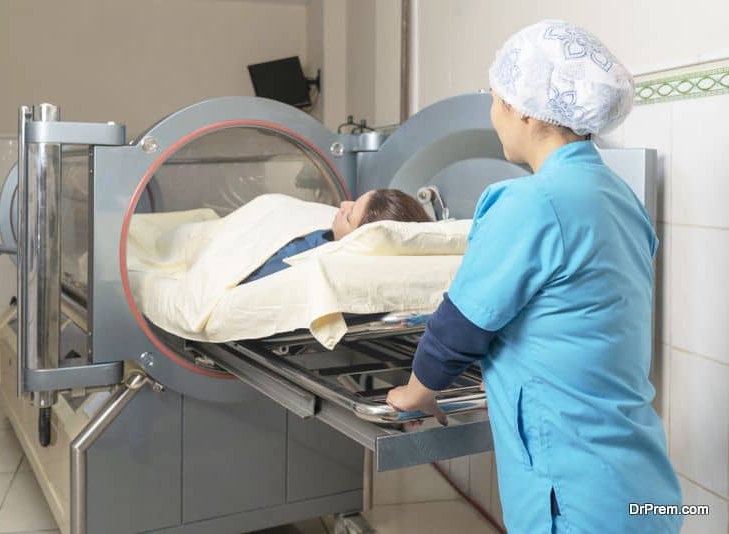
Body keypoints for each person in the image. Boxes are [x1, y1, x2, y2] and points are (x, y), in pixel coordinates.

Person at [386, 20, 682, 533]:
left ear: (524, 108)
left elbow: (460, 326)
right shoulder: (620, 199)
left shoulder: (532, 202)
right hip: (645, 488)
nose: (493, 114)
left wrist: (416, 393)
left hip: (576, 497)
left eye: (497, 98)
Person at [242, 188, 430, 283]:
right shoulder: (329, 232)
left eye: (349, 216)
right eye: (354, 202)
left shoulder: (299, 258)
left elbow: (245, 277)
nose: (343, 204)